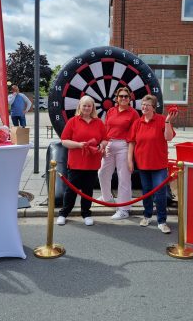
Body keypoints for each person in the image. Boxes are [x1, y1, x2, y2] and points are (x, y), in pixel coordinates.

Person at [128, 94, 177, 234]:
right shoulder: (137, 123)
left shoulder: (162, 120)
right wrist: (129, 160)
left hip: (159, 165)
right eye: (142, 104)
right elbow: (132, 143)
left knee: (160, 193)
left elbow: (168, 137)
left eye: (147, 105)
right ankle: (147, 215)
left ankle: (162, 221)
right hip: (143, 164)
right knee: (146, 192)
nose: (143, 107)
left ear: (154, 108)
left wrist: (168, 122)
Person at [57, 95, 107, 227]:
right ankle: (63, 213)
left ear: (92, 108)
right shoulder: (73, 121)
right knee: (71, 190)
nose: (86, 108)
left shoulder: (99, 123)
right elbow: (64, 141)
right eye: (84, 105)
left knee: (88, 190)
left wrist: (101, 146)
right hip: (76, 162)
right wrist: (79, 145)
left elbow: (105, 139)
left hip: (92, 162)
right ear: (80, 106)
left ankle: (86, 213)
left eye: (89, 105)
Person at [98, 87, 140, 220]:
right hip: (109, 144)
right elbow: (106, 128)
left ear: (130, 99)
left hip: (124, 145)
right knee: (102, 172)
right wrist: (103, 143)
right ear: (117, 98)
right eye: (121, 96)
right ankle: (107, 197)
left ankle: (124, 209)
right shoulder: (111, 111)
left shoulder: (133, 114)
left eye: (126, 96)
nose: (123, 98)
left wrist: (130, 156)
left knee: (124, 178)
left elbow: (135, 134)